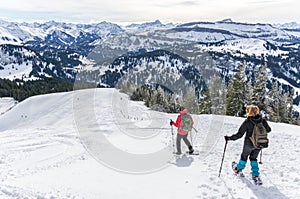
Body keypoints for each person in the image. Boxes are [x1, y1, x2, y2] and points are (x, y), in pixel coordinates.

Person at [224, 105, 271, 182]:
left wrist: (229, 138)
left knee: (244, 156)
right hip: (259, 143)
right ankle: (255, 175)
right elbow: (269, 130)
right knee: (253, 158)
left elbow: (239, 134)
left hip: (249, 143)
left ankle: (239, 169)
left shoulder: (247, 122)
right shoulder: (262, 120)